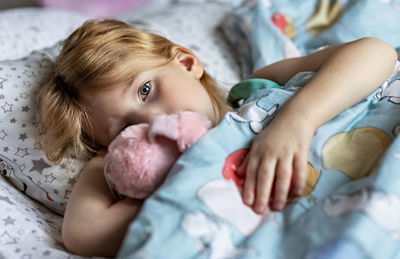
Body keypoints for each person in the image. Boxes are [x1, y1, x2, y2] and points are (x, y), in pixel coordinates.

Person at [35, 19, 398, 257]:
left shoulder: (257, 89)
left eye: (145, 90)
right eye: (126, 127)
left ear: (187, 63)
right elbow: (84, 235)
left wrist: (296, 120)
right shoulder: (165, 178)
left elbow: (376, 53)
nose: (154, 119)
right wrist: (129, 169)